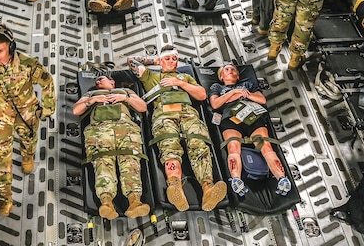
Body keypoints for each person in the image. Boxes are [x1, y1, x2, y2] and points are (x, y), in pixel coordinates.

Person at [0, 23, 56, 216]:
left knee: (29, 141)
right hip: (1, 114)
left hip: (27, 112)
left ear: (11, 48)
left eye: (0, 50)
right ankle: (5, 200)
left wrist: (47, 109)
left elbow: (47, 81)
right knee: (1, 158)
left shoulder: (28, 65)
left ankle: (27, 156)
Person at [130, 46, 227, 211]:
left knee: (199, 146)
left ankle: (208, 189)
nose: (172, 62)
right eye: (168, 59)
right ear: (161, 61)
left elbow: (202, 95)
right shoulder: (151, 76)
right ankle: (175, 186)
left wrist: (179, 82)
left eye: (175, 59)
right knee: (170, 148)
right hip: (164, 115)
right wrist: (156, 60)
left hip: (188, 114)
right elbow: (132, 62)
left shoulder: (186, 77)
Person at [72, 70, 150, 219]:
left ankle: (135, 202)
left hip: (125, 130)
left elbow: (142, 107)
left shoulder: (125, 91)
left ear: (112, 82)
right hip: (100, 132)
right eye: (96, 82)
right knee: (102, 163)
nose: (97, 82)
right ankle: (106, 202)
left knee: (130, 163)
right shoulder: (91, 94)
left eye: (100, 79)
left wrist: (124, 98)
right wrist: (93, 100)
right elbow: (76, 110)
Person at [208, 63, 291, 197]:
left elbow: (261, 100)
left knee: (265, 145)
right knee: (233, 146)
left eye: (233, 69)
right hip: (231, 118)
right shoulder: (217, 87)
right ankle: (236, 179)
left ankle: (282, 178)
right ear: (221, 76)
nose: (230, 70)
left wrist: (245, 95)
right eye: (226, 69)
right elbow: (215, 104)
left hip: (252, 116)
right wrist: (234, 93)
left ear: (238, 76)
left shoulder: (247, 85)